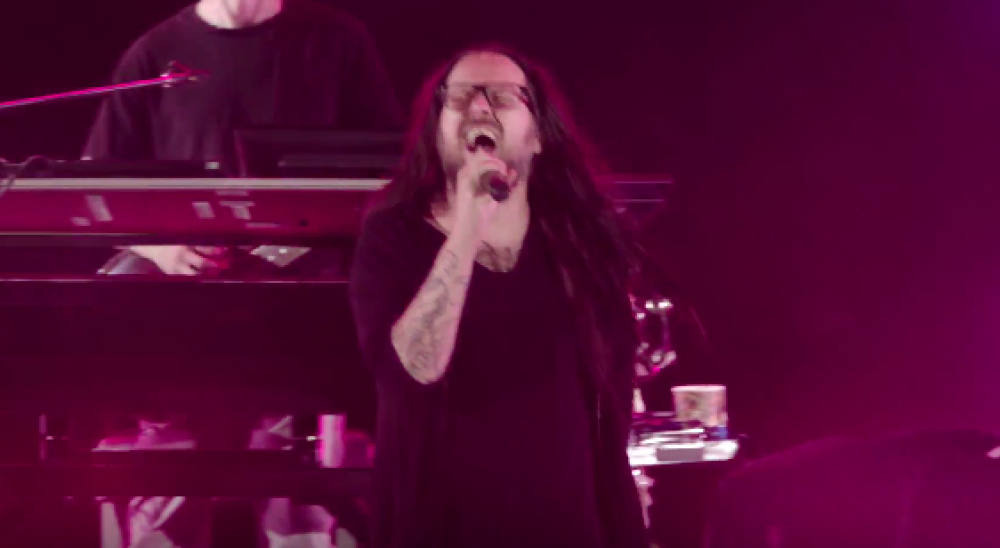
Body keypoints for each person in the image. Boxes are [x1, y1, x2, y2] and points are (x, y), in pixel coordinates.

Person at [83, 0, 402, 546]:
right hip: (180, 311)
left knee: (299, 470)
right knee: (166, 457)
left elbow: (389, 169)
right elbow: (98, 192)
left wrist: (310, 235)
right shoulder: (154, 54)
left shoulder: (339, 42)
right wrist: (164, 250)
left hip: (299, 297)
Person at [348, 45, 647, 548]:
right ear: (436, 129)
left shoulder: (580, 246)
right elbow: (410, 374)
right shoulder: (392, 237)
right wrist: (468, 226)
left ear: (538, 136)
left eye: (503, 97)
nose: (480, 108)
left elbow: (608, 421)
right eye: (461, 97)